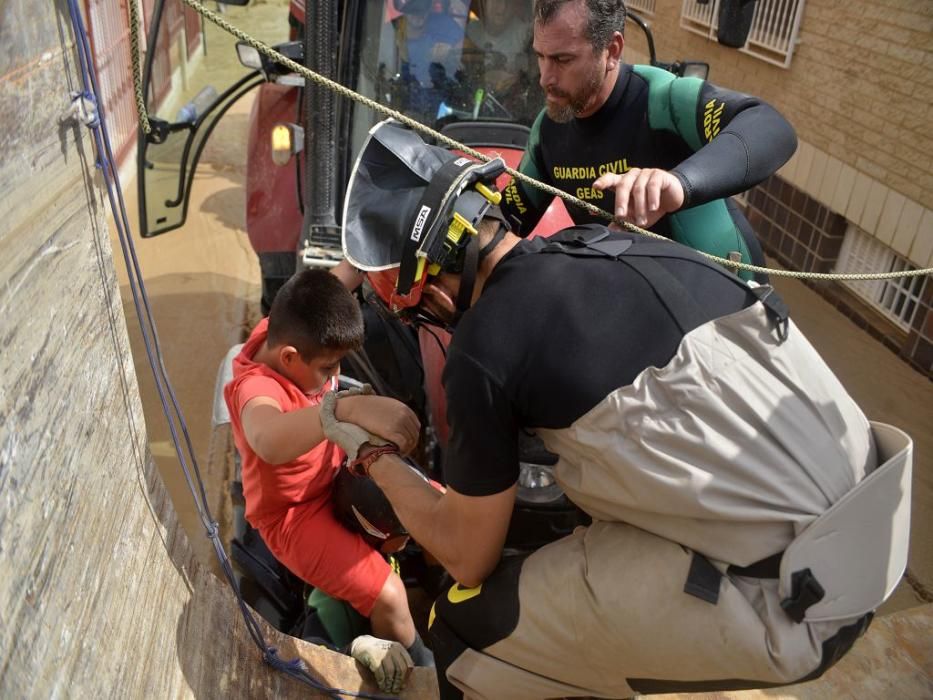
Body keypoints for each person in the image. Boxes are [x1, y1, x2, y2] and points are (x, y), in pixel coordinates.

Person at [321, 119, 912, 698]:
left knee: (469, 619)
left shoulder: (483, 350)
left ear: (440, 290)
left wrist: (372, 456)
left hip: (793, 609)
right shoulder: (615, 243)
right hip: (875, 529)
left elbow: (469, 556)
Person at [222, 268, 433, 693]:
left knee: (437, 506)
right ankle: (422, 676)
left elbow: (343, 276)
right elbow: (267, 439)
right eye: (330, 368)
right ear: (289, 359)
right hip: (295, 516)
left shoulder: (291, 327)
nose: (335, 374)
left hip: (335, 473)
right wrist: (344, 411)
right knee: (390, 596)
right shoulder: (255, 388)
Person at [499, 0, 796, 280]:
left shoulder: (663, 101)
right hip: (639, 298)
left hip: (727, 297)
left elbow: (770, 125)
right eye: (540, 56)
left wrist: (678, 184)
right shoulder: (548, 132)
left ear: (612, 51)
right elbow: (504, 222)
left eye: (563, 59)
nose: (545, 79)